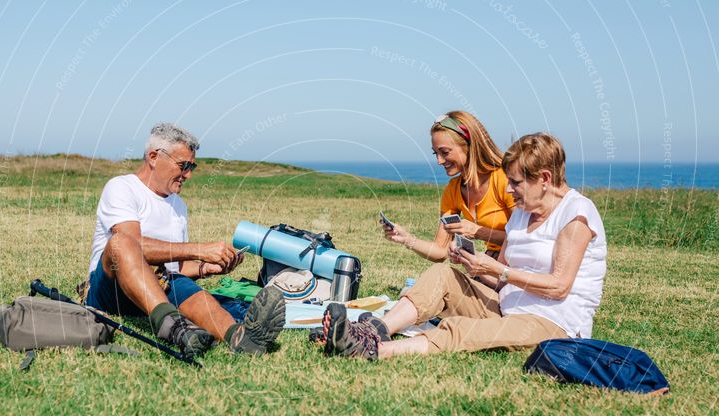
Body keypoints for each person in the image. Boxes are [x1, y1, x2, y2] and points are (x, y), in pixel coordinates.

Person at [322, 133, 607, 360]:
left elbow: (559, 286)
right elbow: (500, 277)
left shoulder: (577, 213)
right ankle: (374, 330)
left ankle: (374, 351)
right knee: (442, 276)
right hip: (506, 307)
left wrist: (500, 271)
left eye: (516, 183)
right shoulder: (521, 213)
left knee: (468, 330)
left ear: (544, 179)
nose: (509, 190)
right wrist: (476, 266)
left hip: (554, 325)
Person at [85, 122, 285, 357]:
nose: (188, 174)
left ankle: (239, 338)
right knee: (121, 243)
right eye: (183, 165)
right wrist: (199, 249)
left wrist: (206, 268)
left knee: (194, 294)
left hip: (160, 283)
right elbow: (131, 244)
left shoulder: (178, 206)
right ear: (153, 157)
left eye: (192, 166)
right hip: (112, 288)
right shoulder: (121, 187)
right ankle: (176, 327)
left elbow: (175, 266)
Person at [382, 110, 515, 260]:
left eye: (445, 152)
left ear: (470, 146)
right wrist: (407, 239)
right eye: (436, 153)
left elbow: (529, 240)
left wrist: (478, 232)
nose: (439, 161)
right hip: (488, 265)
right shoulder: (453, 189)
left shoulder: (505, 180)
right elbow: (440, 250)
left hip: (517, 269)